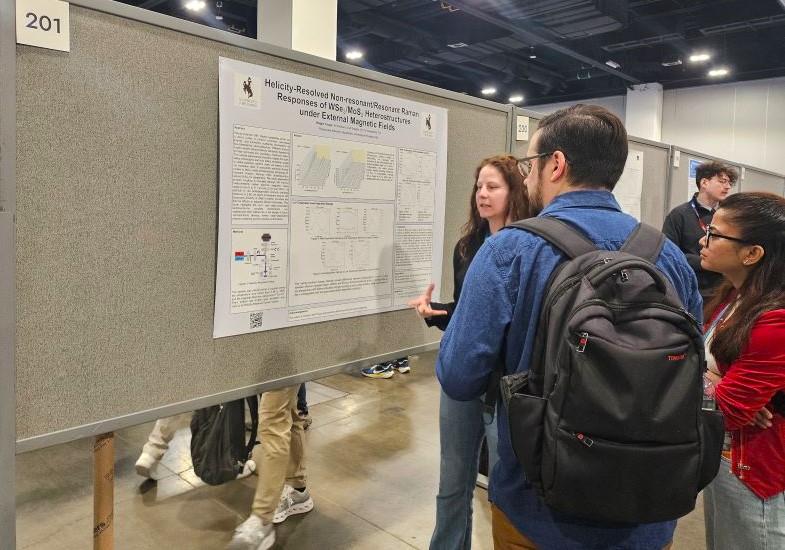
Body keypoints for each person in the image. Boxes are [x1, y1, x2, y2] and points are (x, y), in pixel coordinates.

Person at [437, 104, 702, 548]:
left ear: (555, 164)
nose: (526, 177)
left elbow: (460, 377)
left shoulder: (510, 251)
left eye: (529, 164)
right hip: (650, 507)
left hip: (539, 509)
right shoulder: (668, 257)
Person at [407, 154, 529, 550]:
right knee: (452, 481)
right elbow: (468, 312)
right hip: (463, 376)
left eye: (493, 186)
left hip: (507, 384)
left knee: (504, 487)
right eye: (479, 186)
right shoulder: (468, 246)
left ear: (514, 192)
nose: (483, 194)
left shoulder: (530, 247)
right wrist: (436, 313)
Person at [699, 192, 785, 550]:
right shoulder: (736, 296)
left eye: (715, 234)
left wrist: (704, 380)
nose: (702, 240)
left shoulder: (775, 318)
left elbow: (730, 410)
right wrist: (713, 380)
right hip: (721, 458)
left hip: (753, 470)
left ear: (752, 253)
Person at [228, 384, 313, 549]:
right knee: (288, 410)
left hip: (281, 359)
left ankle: (262, 519)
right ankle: (297, 488)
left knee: (272, 419)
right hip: (275, 360)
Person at [662, 160, 738, 299]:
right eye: (722, 181)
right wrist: (706, 262)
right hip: (691, 290)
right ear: (704, 183)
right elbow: (669, 254)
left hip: (723, 291)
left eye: (729, 183)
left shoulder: (729, 217)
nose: (727, 187)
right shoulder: (679, 215)